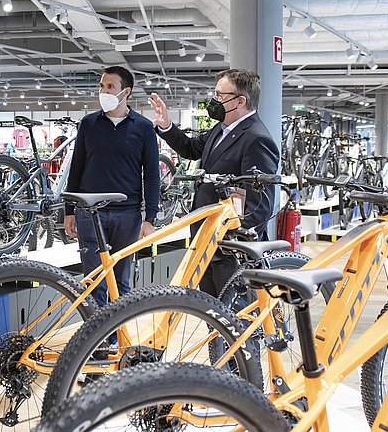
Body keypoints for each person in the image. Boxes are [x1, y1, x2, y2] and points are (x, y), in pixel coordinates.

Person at [149, 68, 278, 297]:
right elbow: (192, 148)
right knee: (213, 314)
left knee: (237, 318)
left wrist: (233, 243)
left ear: (240, 101)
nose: (214, 100)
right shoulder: (221, 129)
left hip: (229, 251)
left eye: (220, 95)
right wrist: (167, 126)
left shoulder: (257, 138)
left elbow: (260, 204)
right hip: (207, 240)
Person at [64, 66, 160, 307]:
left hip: (127, 214)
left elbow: (151, 174)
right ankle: (95, 341)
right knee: (93, 281)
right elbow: (76, 168)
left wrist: (150, 217)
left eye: (110, 87)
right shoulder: (88, 124)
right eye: (102, 86)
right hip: (89, 213)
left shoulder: (144, 127)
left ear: (125, 91)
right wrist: (68, 211)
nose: (103, 91)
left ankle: (119, 339)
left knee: (121, 281)